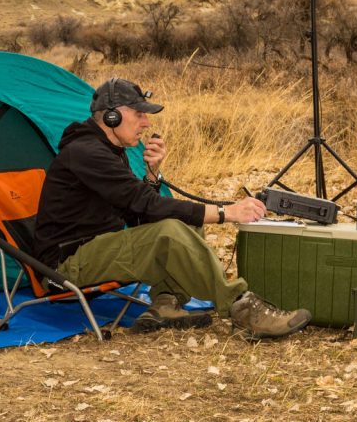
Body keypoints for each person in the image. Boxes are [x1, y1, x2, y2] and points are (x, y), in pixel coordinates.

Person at [33, 78, 311, 339]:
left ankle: (166, 302)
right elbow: (146, 207)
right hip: (67, 266)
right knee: (168, 230)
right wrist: (225, 213)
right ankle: (241, 307)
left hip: (95, 249)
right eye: (139, 114)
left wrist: (152, 175)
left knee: (184, 221)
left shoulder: (109, 151)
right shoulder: (86, 152)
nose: (145, 122)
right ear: (112, 116)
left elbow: (137, 213)